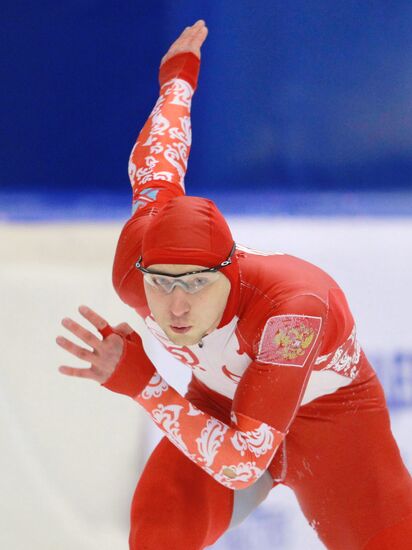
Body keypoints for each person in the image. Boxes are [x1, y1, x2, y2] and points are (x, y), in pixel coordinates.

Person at [57, 20, 412, 550]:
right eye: (162, 284)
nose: (175, 305)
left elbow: (245, 463)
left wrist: (144, 384)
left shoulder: (292, 311)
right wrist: (178, 78)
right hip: (222, 406)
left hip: (332, 425)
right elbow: (156, 164)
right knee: (157, 535)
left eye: (197, 284)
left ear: (229, 273)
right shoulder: (138, 263)